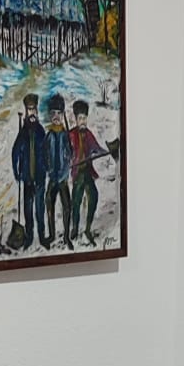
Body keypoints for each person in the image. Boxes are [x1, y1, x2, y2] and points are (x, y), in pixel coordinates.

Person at [68, 98, 109, 247]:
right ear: (76, 119)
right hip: (77, 173)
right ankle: (74, 228)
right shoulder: (70, 135)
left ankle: (87, 229)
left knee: (94, 197)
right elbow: (66, 153)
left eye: (84, 118)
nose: (83, 121)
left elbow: (96, 148)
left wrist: (105, 151)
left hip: (87, 172)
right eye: (80, 118)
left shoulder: (89, 134)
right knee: (76, 201)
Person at [11, 93, 48, 249]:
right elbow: (15, 152)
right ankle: (29, 237)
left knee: (40, 209)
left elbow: (46, 151)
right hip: (27, 178)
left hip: (39, 178)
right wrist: (16, 171)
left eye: (33, 110)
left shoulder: (41, 131)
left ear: (37, 111)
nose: (31, 113)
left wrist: (47, 167)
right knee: (28, 210)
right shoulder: (23, 132)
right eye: (29, 110)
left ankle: (42, 236)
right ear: (26, 112)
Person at [44, 92, 72, 249]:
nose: (56, 116)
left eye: (59, 113)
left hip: (63, 178)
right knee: (49, 202)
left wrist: (67, 165)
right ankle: (52, 235)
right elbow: (44, 154)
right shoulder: (48, 136)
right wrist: (47, 167)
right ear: (49, 115)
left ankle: (66, 236)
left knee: (67, 206)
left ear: (63, 115)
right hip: (52, 178)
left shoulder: (65, 135)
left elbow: (70, 153)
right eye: (53, 113)